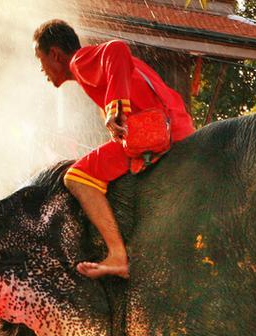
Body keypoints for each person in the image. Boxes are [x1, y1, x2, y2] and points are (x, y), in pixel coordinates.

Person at [33, 20, 195, 279]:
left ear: (54, 54)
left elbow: (117, 48)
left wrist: (114, 107)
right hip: (172, 127)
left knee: (75, 177)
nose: (41, 70)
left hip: (154, 133)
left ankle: (117, 255)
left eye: (40, 60)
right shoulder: (93, 69)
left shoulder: (79, 60)